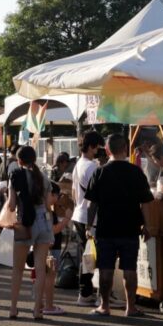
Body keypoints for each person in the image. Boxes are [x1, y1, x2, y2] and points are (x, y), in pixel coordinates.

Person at [85, 133, 154, 317]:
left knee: (106, 267)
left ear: (107, 150)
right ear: (126, 149)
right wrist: (148, 225)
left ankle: (105, 306)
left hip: (106, 228)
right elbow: (146, 202)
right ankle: (130, 307)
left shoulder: (100, 172)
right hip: (131, 227)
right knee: (130, 268)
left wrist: (88, 226)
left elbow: (92, 204)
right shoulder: (136, 172)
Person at [7, 146, 53, 320]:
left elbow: (12, 205)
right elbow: (48, 204)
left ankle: (13, 308)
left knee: (18, 269)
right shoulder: (43, 177)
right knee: (40, 268)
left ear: (19, 161)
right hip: (44, 221)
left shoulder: (16, 176)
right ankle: (37, 310)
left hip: (25, 222)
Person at [70, 130, 104, 306]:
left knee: (87, 255)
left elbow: (74, 192)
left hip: (79, 213)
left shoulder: (79, 164)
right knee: (90, 257)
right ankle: (85, 293)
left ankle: (86, 292)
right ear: (91, 146)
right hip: (90, 217)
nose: (98, 150)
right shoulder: (92, 167)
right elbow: (98, 195)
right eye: (97, 146)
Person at [42, 181, 73, 316]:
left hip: (42, 246)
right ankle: (49, 305)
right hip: (51, 247)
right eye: (57, 195)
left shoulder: (42, 209)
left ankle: (41, 303)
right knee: (50, 277)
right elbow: (53, 230)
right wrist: (67, 218)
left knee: (42, 277)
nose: (58, 199)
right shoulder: (48, 211)